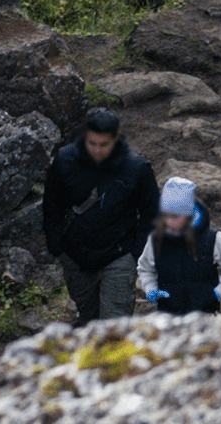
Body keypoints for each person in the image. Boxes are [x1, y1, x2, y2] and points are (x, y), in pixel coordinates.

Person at [42, 108, 160, 326]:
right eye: (92, 143)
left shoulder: (137, 168)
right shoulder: (64, 161)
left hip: (119, 254)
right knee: (88, 317)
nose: (97, 150)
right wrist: (56, 245)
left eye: (103, 145)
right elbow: (52, 205)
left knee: (113, 327)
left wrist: (137, 253)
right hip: (75, 255)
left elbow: (151, 214)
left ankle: (112, 359)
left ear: (115, 140)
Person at [136, 178, 221, 317]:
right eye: (165, 215)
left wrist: (218, 292)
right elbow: (145, 268)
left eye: (175, 216)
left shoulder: (212, 238)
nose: (169, 221)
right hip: (168, 316)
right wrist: (150, 288)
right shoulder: (156, 240)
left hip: (205, 316)